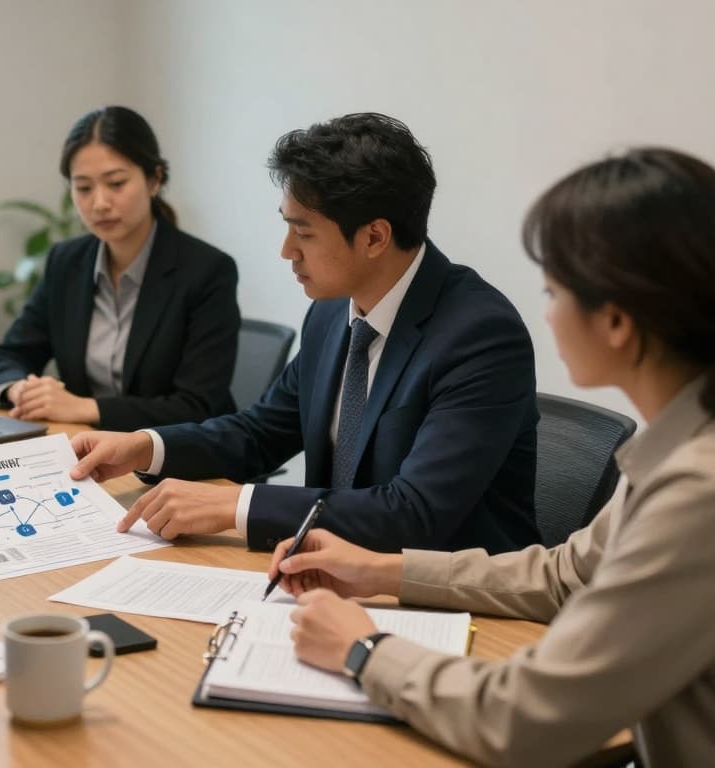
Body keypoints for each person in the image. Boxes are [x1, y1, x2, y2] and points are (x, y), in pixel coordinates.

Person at [271, 148, 715, 767]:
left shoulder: (699, 492)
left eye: (554, 289)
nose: (547, 312)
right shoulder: (683, 448)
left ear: (615, 320)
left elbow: (526, 718)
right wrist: (379, 571)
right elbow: (566, 575)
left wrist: (366, 650)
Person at [71, 113, 540, 554]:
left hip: (452, 604)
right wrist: (145, 446)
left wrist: (233, 507)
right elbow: (260, 433)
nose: (286, 251)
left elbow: (414, 512)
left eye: (304, 232)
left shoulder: (479, 335)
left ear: (374, 237)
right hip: (335, 574)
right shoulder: (333, 312)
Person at [0, 106, 240, 430]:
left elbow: (196, 405)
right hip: (87, 452)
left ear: (154, 179)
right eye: (84, 188)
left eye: (116, 184)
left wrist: (87, 408)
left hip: (178, 462)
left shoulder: (207, 271)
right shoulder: (66, 262)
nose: (100, 203)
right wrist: (20, 390)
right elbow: (7, 356)